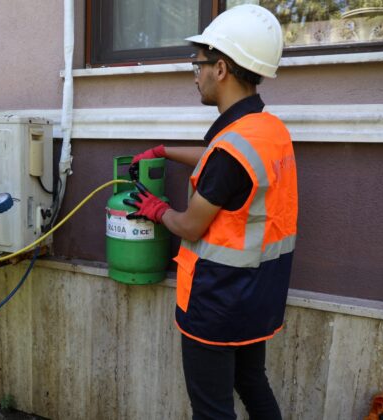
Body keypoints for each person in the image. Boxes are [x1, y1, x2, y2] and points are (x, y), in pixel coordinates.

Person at [125, 5, 297, 419]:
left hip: (218, 303)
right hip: (259, 297)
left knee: (212, 410)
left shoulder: (232, 150)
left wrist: (155, 208)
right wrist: (165, 150)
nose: (195, 74)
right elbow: (221, 166)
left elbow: (190, 225)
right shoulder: (267, 129)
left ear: (220, 68)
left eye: (197, 64)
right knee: (254, 384)